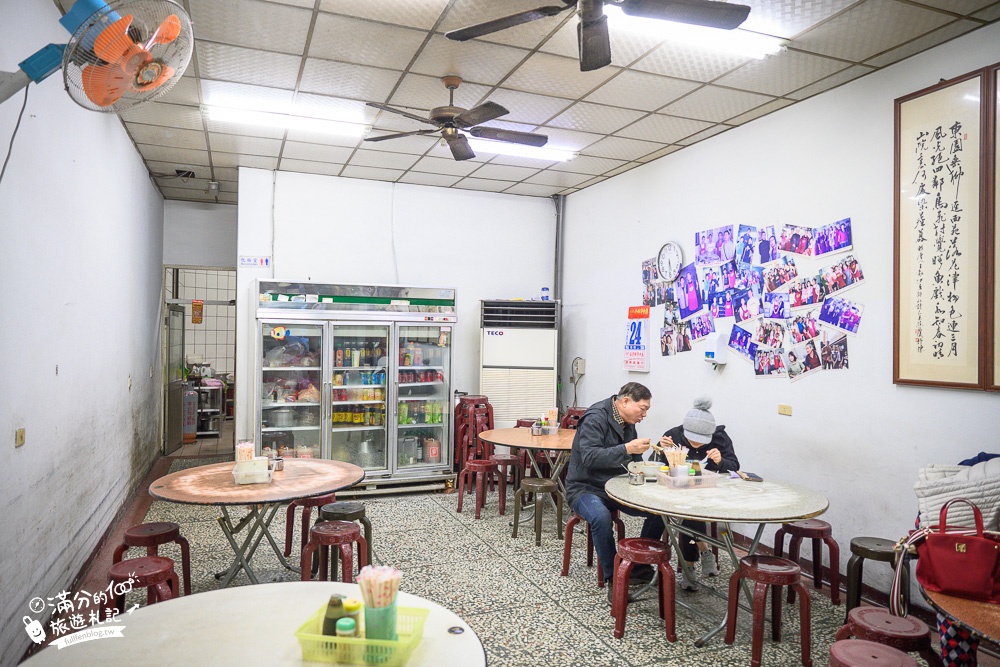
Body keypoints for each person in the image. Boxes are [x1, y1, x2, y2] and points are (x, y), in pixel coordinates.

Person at [564, 383, 664, 604]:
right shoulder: (596, 418)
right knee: (600, 517)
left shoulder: (628, 422)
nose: (644, 415)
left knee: (659, 511)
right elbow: (590, 458)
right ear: (625, 401)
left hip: (616, 486)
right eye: (642, 409)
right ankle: (614, 579)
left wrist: (648, 471)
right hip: (584, 487)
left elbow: (634, 461)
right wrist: (627, 449)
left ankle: (638, 568)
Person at [653, 397, 739, 590]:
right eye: (691, 439)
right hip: (676, 492)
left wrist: (720, 461)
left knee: (690, 513)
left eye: (701, 440)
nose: (696, 444)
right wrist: (661, 450)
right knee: (688, 513)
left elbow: (734, 467)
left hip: (708, 491)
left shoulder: (720, 438)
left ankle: (690, 567)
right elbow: (658, 466)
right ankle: (699, 558)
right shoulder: (673, 435)